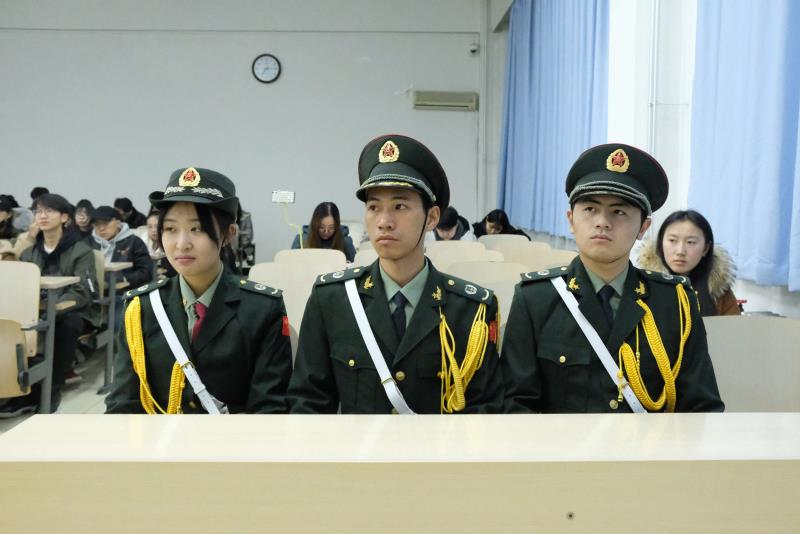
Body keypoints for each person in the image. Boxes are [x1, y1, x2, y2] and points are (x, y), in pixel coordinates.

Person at [288, 134, 504, 414]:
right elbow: (308, 404)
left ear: (432, 217)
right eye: (373, 207)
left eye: (400, 207)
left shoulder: (470, 310)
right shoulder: (333, 300)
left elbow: (486, 412)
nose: (384, 222)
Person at [501, 143, 724, 413]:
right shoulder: (536, 299)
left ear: (643, 227)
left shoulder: (674, 302)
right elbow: (515, 405)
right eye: (590, 209)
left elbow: (701, 406)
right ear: (571, 220)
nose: (602, 222)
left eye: (619, 212)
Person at [105, 167, 292, 414]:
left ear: (228, 234)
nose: (181, 244)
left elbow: (270, 407)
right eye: (170, 229)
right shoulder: (142, 308)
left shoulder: (261, 308)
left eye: (198, 229)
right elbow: (123, 403)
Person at [0, 194, 99, 417]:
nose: (42, 216)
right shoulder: (29, 253)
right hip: (35, 310)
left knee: (65, 323)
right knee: (13, 324)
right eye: (38, 211)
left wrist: (54, 308)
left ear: (64, 217)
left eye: (49, 211)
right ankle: (17, 387)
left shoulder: (81, 251)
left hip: (73, 311)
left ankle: (51, 389)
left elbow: (83, 291)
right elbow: (19, 287)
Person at [637, 210, 741, 316]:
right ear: (661, 244)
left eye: (690, 242)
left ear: (705, 248)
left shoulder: (718, 291)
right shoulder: (641, 286)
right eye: (672, 240)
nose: (680, 251)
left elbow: (734, 325)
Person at [290, 201, 356, 262]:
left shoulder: (345, 241)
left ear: (337, 226)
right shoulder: (301, 240)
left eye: (331, 228)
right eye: (322, 227)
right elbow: (291, 264)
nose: (326, 231)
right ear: (315, 224)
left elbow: (355, 266)